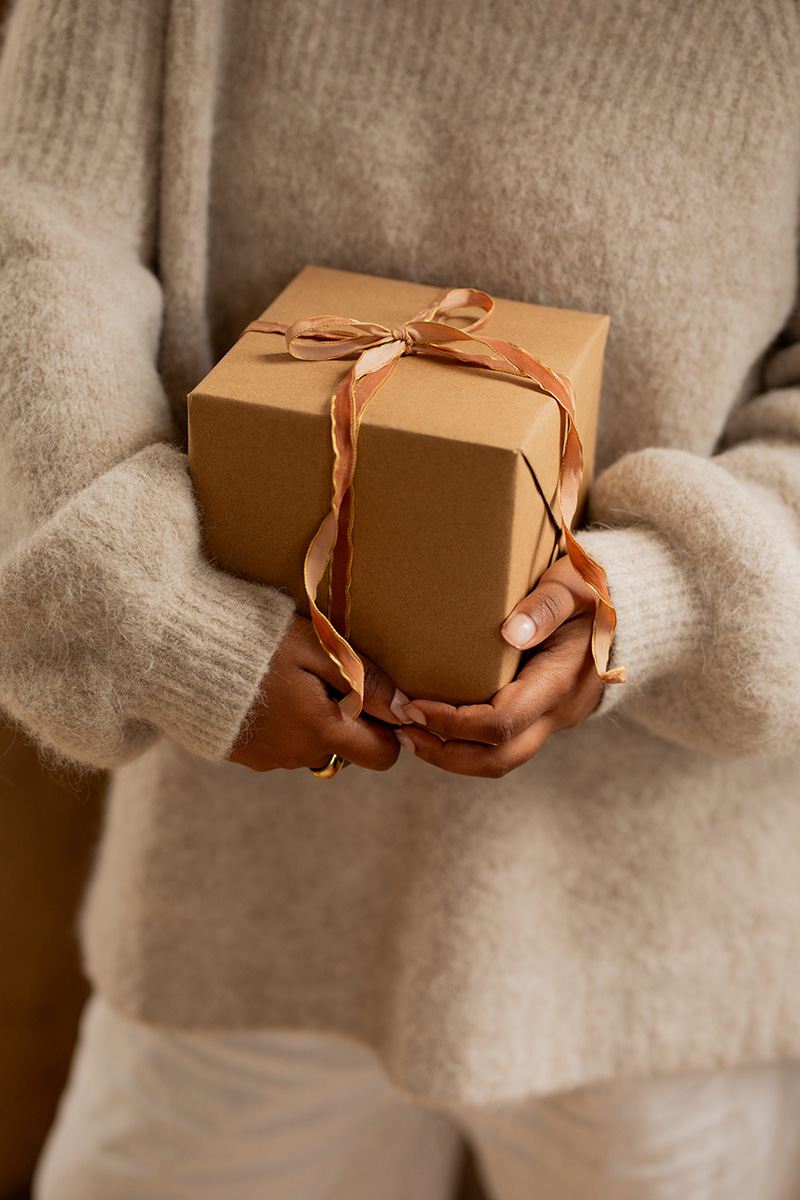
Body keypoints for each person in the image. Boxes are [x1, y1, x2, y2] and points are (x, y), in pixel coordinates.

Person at [1, 1, 800, 1197]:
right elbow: (32, 244)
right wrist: (158, 623)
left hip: (659, 941)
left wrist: (666, 592)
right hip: (236, 900)